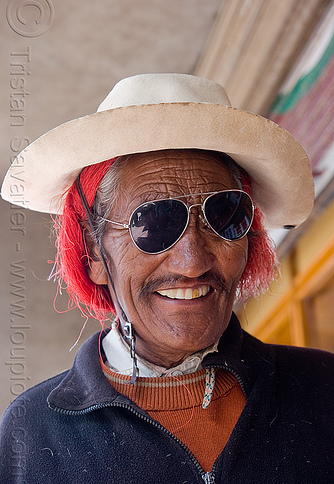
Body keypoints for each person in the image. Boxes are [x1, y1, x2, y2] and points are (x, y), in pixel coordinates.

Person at [0, 73, 333, 483]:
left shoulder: (323, 390)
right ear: (93, 253)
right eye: (153, 223)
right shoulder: (30, 435)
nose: (192, 262)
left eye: (225, 215)